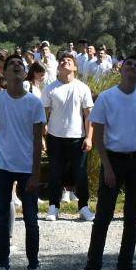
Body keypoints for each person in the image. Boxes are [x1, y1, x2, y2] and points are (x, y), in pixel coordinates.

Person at [77, 55, 136, 270]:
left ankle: (125, 268)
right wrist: (108, 167)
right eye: (128, 64)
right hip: (114, 160)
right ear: (120, 70)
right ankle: (92, 267)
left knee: (133, 217)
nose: (132, 67)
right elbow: (99, 136)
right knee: (103, 216)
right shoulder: (106, 97)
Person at [0, 55, 49, 270]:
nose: (17, 66)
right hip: (2, 166)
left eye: (21, 64)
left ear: (25, 72)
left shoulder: (34, 103)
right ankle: (2, 264)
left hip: (27, 168)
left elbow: (38, 140)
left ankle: (34, 266)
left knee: (31, 219)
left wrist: (36, 175)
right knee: (1, 218)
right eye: (12, 64)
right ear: (6, 73)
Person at [43, 52, 95, 223]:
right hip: (55, 137)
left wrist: (89, 138)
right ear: (58, 67)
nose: (65, 62)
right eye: (62, 61)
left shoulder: (82, 88)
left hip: (78, 137)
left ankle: (84, 207)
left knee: (80, 174)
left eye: (69, 60)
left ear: (75, 67)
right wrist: (44, 137)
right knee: (55, 173)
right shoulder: (50, 88)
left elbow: (89, 115)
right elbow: (44, 115)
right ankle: (53, 207)